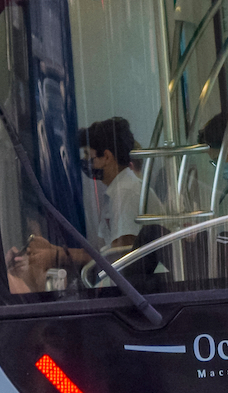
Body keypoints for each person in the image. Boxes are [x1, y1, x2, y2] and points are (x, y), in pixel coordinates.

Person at [24, 116, 144, 281]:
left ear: (107, 157)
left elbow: (118, 258)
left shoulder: (127, 191)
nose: (86, 162)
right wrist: (53, 249)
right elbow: (101, 250)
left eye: (89, 155)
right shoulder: (117, 191)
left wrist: (57, 256)